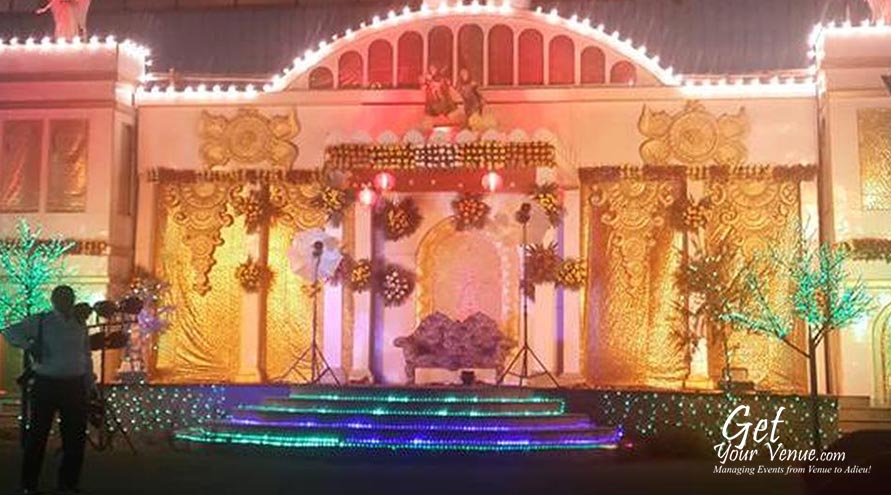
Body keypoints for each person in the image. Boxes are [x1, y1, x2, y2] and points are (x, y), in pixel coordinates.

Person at [1, 285, 95, 495]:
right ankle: (29, 484)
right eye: (61, 298)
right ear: (53, 300)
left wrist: (89, 381)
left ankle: (68, 483)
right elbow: (9, 332)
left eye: (69, 297)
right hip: (47, 383)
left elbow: (85, 353)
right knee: (38, 436)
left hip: (74, 384)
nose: (66, 301)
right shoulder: (41, 321)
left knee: (75, 437)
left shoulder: (79, 322)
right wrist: (29, 346)